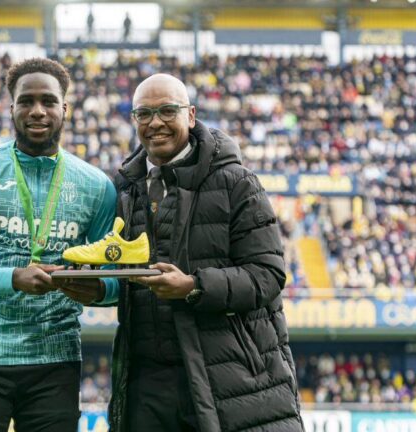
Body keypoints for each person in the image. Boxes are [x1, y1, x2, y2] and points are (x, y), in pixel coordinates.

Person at [0, 57, 117, 432]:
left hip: (55, 360)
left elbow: (119, 281)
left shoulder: (96, 186)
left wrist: (97, 290)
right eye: (26, 101)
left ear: (65, 108)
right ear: (11, 108)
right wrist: (12, 278)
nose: (37, 111)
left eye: (48, 101)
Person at [102, 73, 303, 432]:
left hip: (227, 376)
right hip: (146, 381)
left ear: (191, 115)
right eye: (144, 114)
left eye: (167, 110)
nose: (155, 123)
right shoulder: (125, 188)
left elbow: (268, 275)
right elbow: (122, 278)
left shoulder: (237, 183)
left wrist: (194, 286)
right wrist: (95, 288)